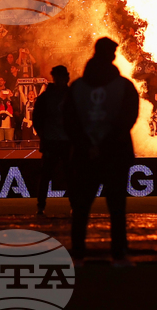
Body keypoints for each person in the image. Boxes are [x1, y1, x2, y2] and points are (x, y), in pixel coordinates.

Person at [63, 38, 138, 266]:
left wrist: (88, 144)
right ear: (111, 56)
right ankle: (118, 251)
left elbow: (69, 121)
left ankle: (77, 251)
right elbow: (128, 118)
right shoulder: (124, 86)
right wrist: (107, 143)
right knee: (117, 206)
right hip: (115, 154)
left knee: (82, 206)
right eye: (113, 52)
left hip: (86, 154)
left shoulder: (77, 87)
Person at [31, 65, 71, 216]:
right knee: (54, 175)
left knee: (51, 175)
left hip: (60, 141)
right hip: (56, 141)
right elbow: (37, 119)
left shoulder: (67, 95)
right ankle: (41, 206)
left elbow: (37, 118)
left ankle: (41, 207)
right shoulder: (55, 96)